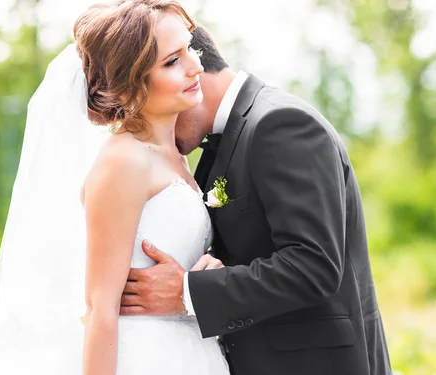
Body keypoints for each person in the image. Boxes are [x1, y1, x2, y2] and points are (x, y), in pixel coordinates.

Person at [0, 2, 231, 375]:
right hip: (143, 358)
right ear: (130, 85)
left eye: (190, 48)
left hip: (190, 353)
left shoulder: (173, 154)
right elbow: (99, 308)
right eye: (172, 62)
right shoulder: (125, 161)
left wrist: (207, 275)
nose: (195, 66)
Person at [120, 26, 392, 375]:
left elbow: (314, 266)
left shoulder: (281, 123)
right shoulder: (224, 139)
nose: (148, 128)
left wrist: (188, 291)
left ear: (193, 72)